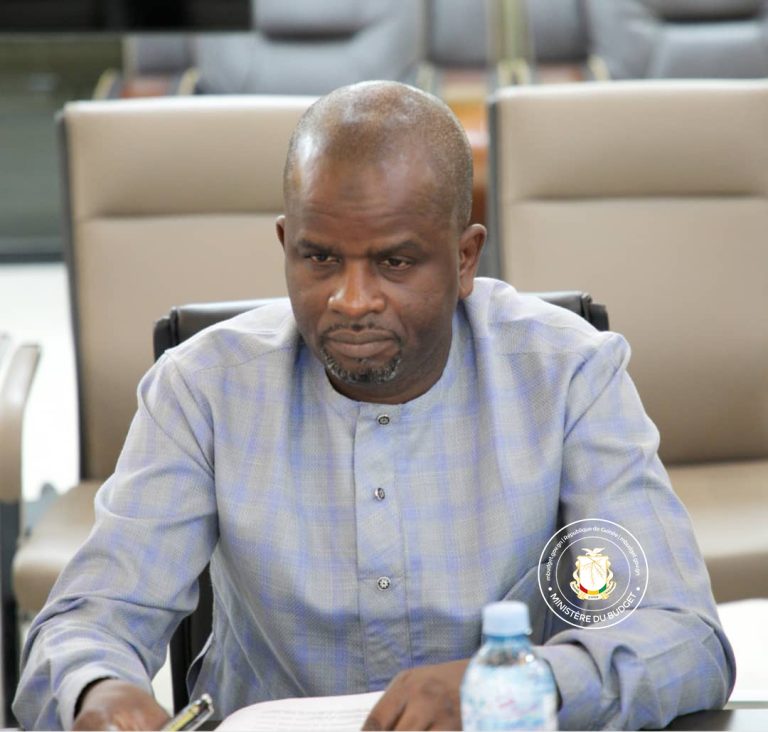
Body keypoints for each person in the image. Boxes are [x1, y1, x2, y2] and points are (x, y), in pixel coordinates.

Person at [15, 81, 734, 731]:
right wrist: (97, 692)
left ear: (464, 259)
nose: (351, 301)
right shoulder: (202, 387)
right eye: (319, 258)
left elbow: (681, 636)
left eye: (394, 262)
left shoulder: (568, 373)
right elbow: (89, 621)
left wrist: (517, 685)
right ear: (285, 244)